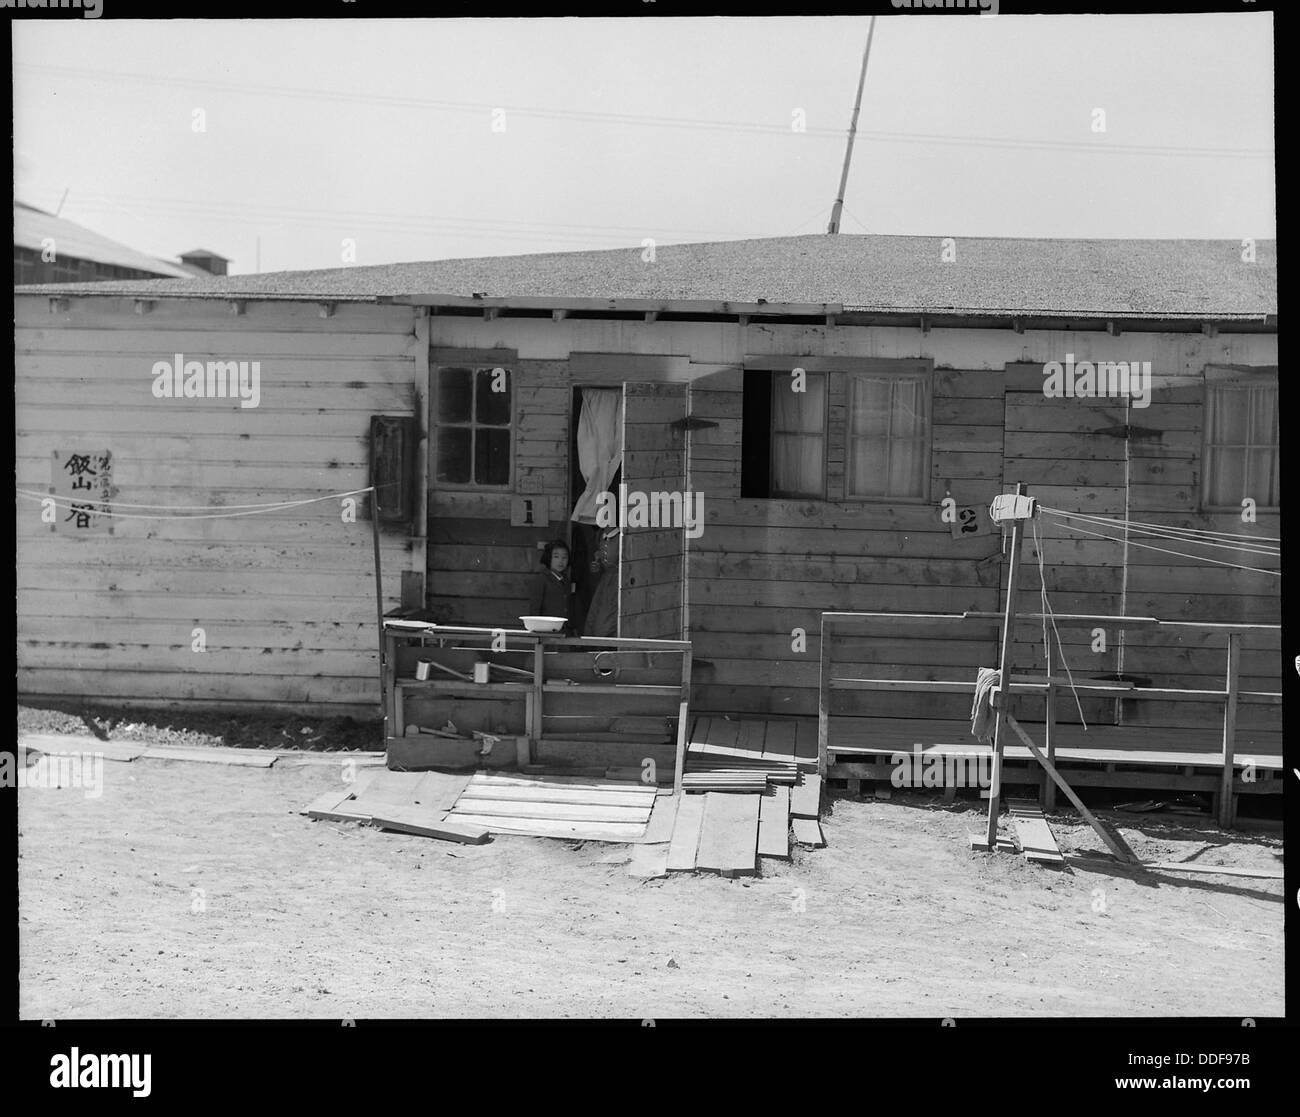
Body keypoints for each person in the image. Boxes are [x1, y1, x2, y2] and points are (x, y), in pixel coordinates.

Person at [528, 540, 574, 634]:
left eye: (564, 557)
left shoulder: (566, 580)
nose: (561, 561)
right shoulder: (542, 579)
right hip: (545, 631)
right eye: (556, 557)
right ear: (549, 558)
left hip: (564, 631)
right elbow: (535, 608)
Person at [583, 527, 620, 638]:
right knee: (595, 620)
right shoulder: (600, 535)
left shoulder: (621, 535)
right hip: (605, 583)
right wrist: (597, 567)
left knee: (606, 625)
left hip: (619, 582)